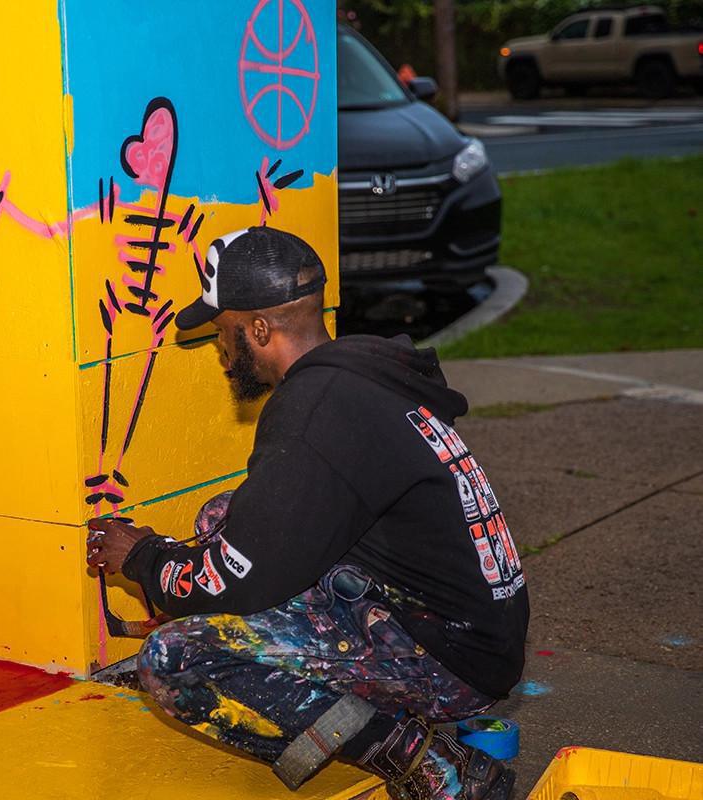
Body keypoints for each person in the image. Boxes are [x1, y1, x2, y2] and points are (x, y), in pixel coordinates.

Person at [86, 226, 528, 800]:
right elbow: (259, 542)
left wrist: (143, 558)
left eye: (225, 333)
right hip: (465, 623)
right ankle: (365, 703)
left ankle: (431, 764)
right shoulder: (358, 377)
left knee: (177, 659)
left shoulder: (314, 412)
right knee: (220, 518)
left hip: (453, 656)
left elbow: (234, 575)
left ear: (260, 328)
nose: (222, 351)